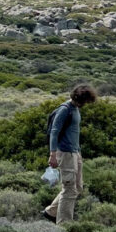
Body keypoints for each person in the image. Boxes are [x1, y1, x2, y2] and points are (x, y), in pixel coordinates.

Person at [43, 84, 98, 224]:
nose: (85, 104)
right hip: (65, 153)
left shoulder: (75, 108)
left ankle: (51, 212)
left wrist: (78, 153)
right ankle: (64, 224)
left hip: (75, 153)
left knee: (78, 187)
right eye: (84, 101)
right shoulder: (65, 109)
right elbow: (54, 132)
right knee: (69, 189)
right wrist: (52, 154)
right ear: (78, 98)